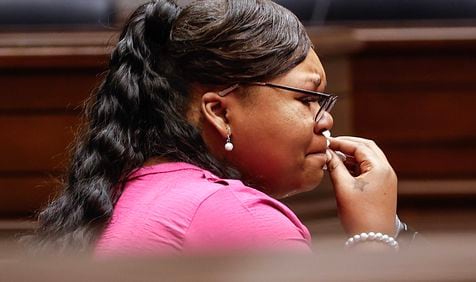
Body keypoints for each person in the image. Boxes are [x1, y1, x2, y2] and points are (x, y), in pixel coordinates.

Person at [29, 0, 401, 256]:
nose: (326, 120)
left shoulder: (123, 188)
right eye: (306, 98)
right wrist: (375, 237)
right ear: (220, 112)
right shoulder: (237, 216)